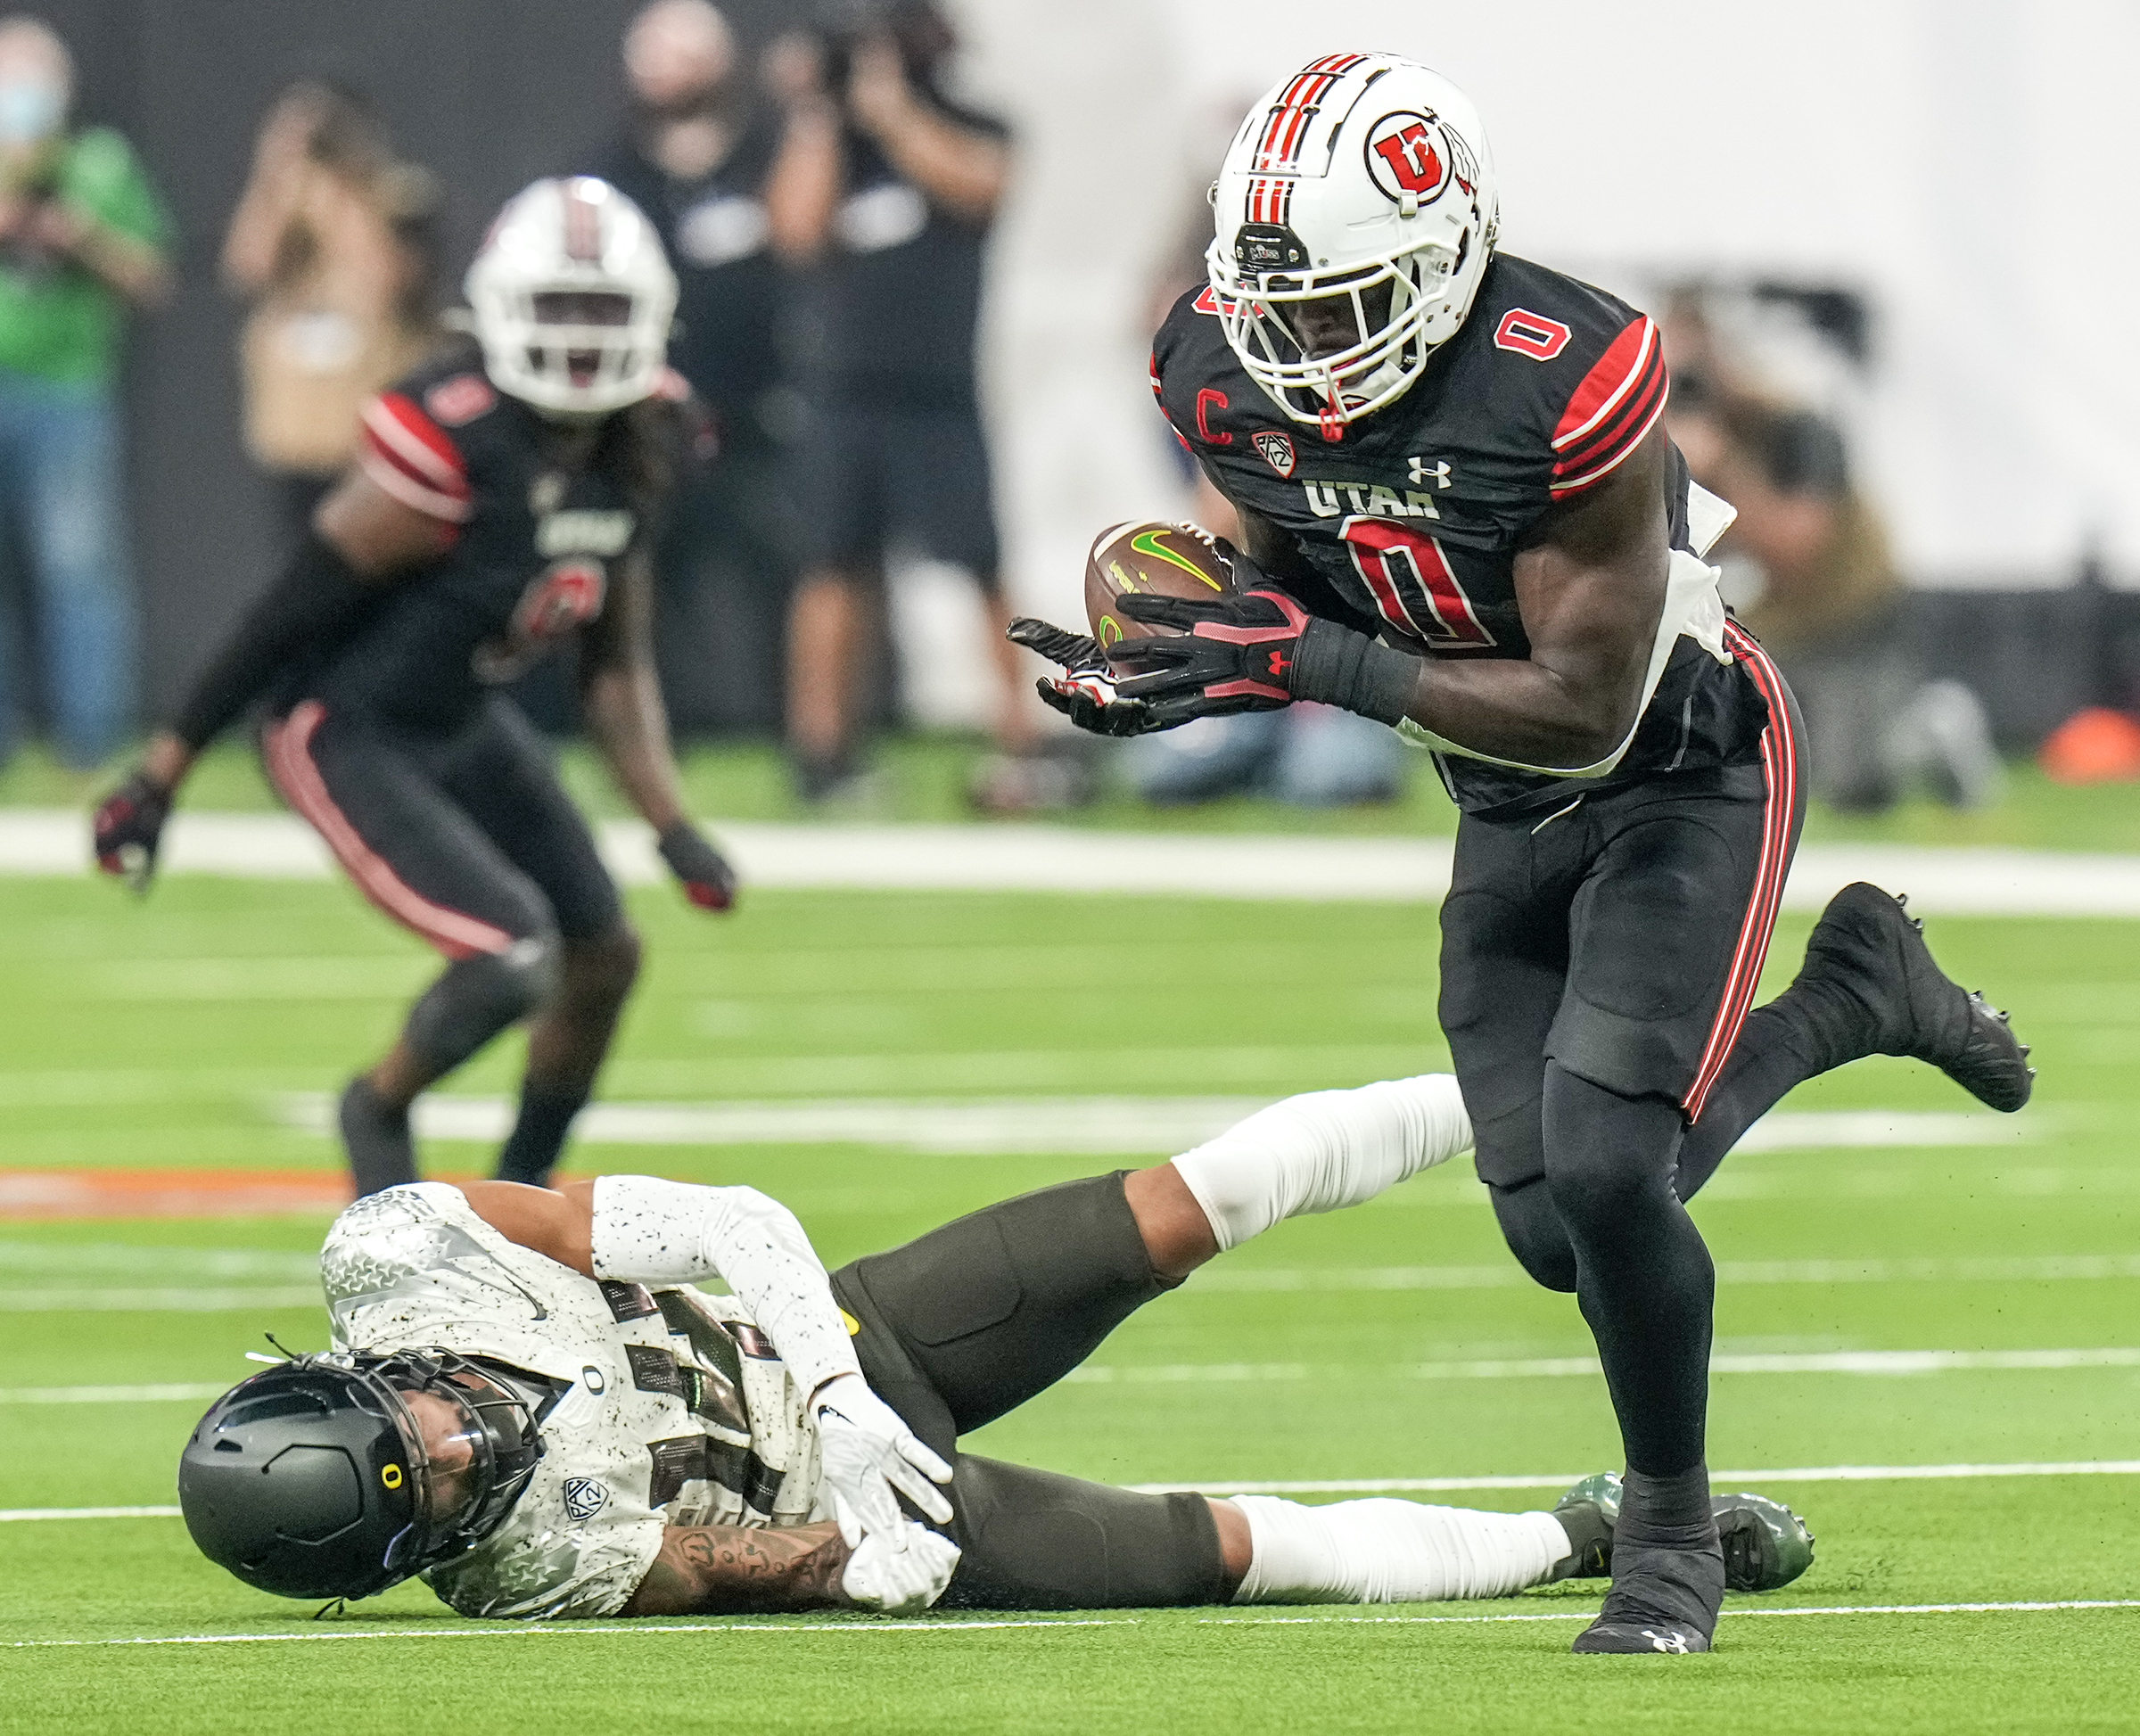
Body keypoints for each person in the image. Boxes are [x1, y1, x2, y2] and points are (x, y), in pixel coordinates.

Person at [1012, 54, 2032, 1653]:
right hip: (1496, 801)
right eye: (1274, 317)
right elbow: (1290, 577)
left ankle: (1670, 1544)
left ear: (1446, 260)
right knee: (1564, 1232)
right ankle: (1850, 999)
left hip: (1678, 770)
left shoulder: (1563, 380)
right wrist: (1184, 656)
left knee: (1617, 1163)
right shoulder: (1223, 361)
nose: (1294, 355)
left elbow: (1579, 702)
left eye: (1337, 309)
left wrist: (1295, 661)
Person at [176, 1074, 1813, 1619]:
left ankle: (1539, 1084)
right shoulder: (503, 1570)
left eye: (416, 1423)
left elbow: (727, 1217)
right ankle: (1587, 1532)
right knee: (1231, 1554)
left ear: (343, 1369)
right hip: (843, 1497)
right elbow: (719, 1563)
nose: (460, 1444)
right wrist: (863, 1551)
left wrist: (827, 1376)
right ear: (414, 1547)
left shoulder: (402, 1247)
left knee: (1186, 1202)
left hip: (827, 1331)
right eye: (434, 1489)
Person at [91, 177, 738, 1197]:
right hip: (342, 726)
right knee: (507, 953)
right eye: (558, 310)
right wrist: (163, 770)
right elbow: (289, 611)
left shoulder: (644, 437)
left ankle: (523, 1197)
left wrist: (671, 825)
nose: (578, 341)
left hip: (456, 717)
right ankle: (378, 1106)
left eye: (601, 313)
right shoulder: (456, 432)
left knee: (604, 952)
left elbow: (613, 658)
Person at [765, 4, 1058, 809]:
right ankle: (820, 752)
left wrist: (895, 114)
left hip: (937, 392)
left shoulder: (972, 119)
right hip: (844, 390)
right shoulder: (835, 142)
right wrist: (822, 113)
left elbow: (980, 186)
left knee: (981, 565)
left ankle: (1022, 738)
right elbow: (794, 229)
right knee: (831, 565)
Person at [582, 1, 797, 735]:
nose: (668, 73)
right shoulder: (610, 175)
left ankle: (792, 722)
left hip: (762, 406)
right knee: (648, 577)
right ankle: (654, 722)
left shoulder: (770, 156)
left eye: (685, 55)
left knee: (782, 568)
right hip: (651, 410)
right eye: (655, 56)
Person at [1668, 380, 2001, 813]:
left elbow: (1801, 538)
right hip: (1787, 615)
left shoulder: (1794, 429)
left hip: (1848, 611)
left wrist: (1721, 476)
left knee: (1854, 783)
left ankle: (1932, 730)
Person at [0, 14, 169, 771]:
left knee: (77, 567)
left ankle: (89, 743)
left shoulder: (99, 163)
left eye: (31, 80)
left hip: (67, 390)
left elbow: (151, 276)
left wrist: (79, 237)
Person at [222, 80, 443, 554]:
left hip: (366, 432)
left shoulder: (396, 196)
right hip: (298, 433)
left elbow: (390, 280)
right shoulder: (286, 206)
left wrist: (344, 200)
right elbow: (248, 267)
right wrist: (276, 173)